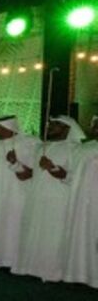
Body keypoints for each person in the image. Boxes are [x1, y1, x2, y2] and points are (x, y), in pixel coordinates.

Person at [14, 115, 86, 282]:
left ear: (67, 129)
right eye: (50, 124)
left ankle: (53, 272)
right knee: (35, 230)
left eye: (55, 125)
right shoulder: (41, 147)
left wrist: (53, 168)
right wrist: (16, 164)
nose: (50, 127)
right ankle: (30, 267)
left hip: (59, 200)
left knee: (54, 234)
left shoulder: (74, 149)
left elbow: (74, 177)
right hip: (37, 197)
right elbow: (33, 173)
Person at [0, 116, 32, 270]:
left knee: (14, 227)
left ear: (8, 128)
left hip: (17, 194)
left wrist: (15, 163)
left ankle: (15, 262)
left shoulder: (28, 143)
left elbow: (31, 173)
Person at [63, 117, 98, 287]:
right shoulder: (82, 149)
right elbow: (71, 175)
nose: (95, 128)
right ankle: (82, 274)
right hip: (82, 202)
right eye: (94, 125)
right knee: (83, 237)